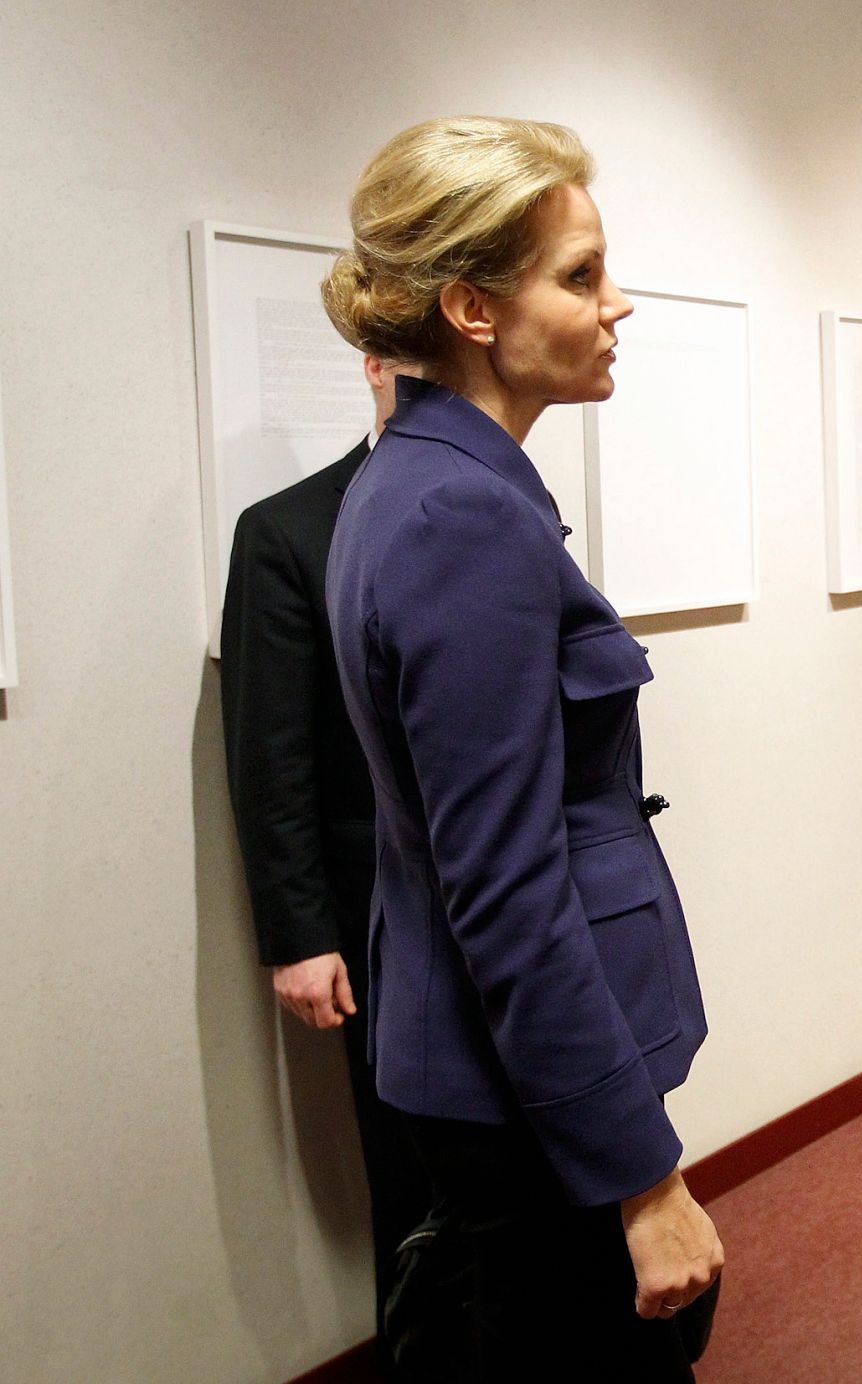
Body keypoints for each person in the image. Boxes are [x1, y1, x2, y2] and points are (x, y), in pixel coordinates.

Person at [322, 116, 721, 1380]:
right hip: (523, 1094)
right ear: (471, 308)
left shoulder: (428, 483)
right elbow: (501, 884)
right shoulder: (458, 514)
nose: (617, 304)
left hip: (503, 1073)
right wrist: (642, 1180)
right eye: (580, 274)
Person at [220, 355, 432, 1377]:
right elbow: (272, 754)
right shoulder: (286, 530)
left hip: (504, 903)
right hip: (379, 914)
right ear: (374, 363)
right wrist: (300, 934)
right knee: (412, 1171)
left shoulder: (488, 504)